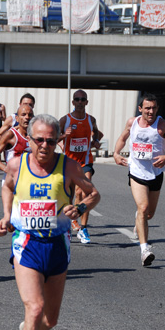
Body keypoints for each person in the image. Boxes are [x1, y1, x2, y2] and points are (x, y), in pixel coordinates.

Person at [0, 114, 100, 330]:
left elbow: (94, 194)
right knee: (35, 307)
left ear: (58, 142)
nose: (44, 146)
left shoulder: (68, 167)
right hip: (26, 244)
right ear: (29, 139)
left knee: (49, 320)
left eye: (51, 141)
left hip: (57, 245)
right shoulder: (16, 165)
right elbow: (8, 187)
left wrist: (79, 208)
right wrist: (7, 215)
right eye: (39, 140)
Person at [113, 94, 165, 266]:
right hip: (136, 171)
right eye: (147, 108)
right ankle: (144, 249)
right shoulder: (132, 122)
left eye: (153, 108)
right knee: (143, 207)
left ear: (157, 109)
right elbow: (122, 138)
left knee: (148, 214)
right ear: (140, 109)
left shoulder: (163, 125)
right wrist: (116, 153)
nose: (150, 111)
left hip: (156, 173)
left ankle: (139, 218)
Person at [58, 89, 103, 244]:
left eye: (82, 99)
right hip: (68, 163)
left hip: (85, 162)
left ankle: (83, 228)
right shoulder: (65, 120)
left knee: (84, 192)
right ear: (73, 102)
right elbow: (53, 136)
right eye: (77, 99)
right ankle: (70, 221)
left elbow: (97, 133)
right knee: (68, 196)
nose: (79, 102)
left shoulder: (91, 120)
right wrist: (64, 135)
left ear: (86, 102)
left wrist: (95, 141)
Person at [0, 105, 34, 177]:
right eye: (23, 115)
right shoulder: (11, 135)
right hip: (12, 180)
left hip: (29, 179)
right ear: (17, 118)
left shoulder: (36, 136)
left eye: (30, 115)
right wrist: (6, 169)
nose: (27, 117)